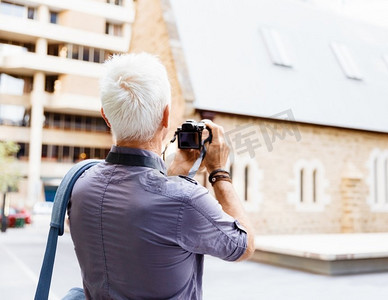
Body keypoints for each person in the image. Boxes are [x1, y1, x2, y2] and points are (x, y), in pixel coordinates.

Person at [68, 52, 255, 300]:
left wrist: (175, 175)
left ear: (106, 116)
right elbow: (244, 245)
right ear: (166, 115)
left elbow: (139, 217)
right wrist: (219, 172)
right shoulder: (184, 199)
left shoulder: (80, 184)